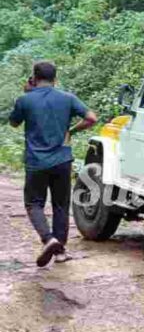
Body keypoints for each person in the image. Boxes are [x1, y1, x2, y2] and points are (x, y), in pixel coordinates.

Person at [9, 62, 98, 267]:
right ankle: (60, 252)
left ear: (34, 78)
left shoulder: (24, 100)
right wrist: (72, 131)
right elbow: (91, 118)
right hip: (62, 160)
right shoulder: (67, 98)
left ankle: (49, 239)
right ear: (55, 79)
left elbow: (14, 123)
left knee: (33, 203)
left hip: (36, 162)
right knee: (60, 205)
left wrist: (26, 93)